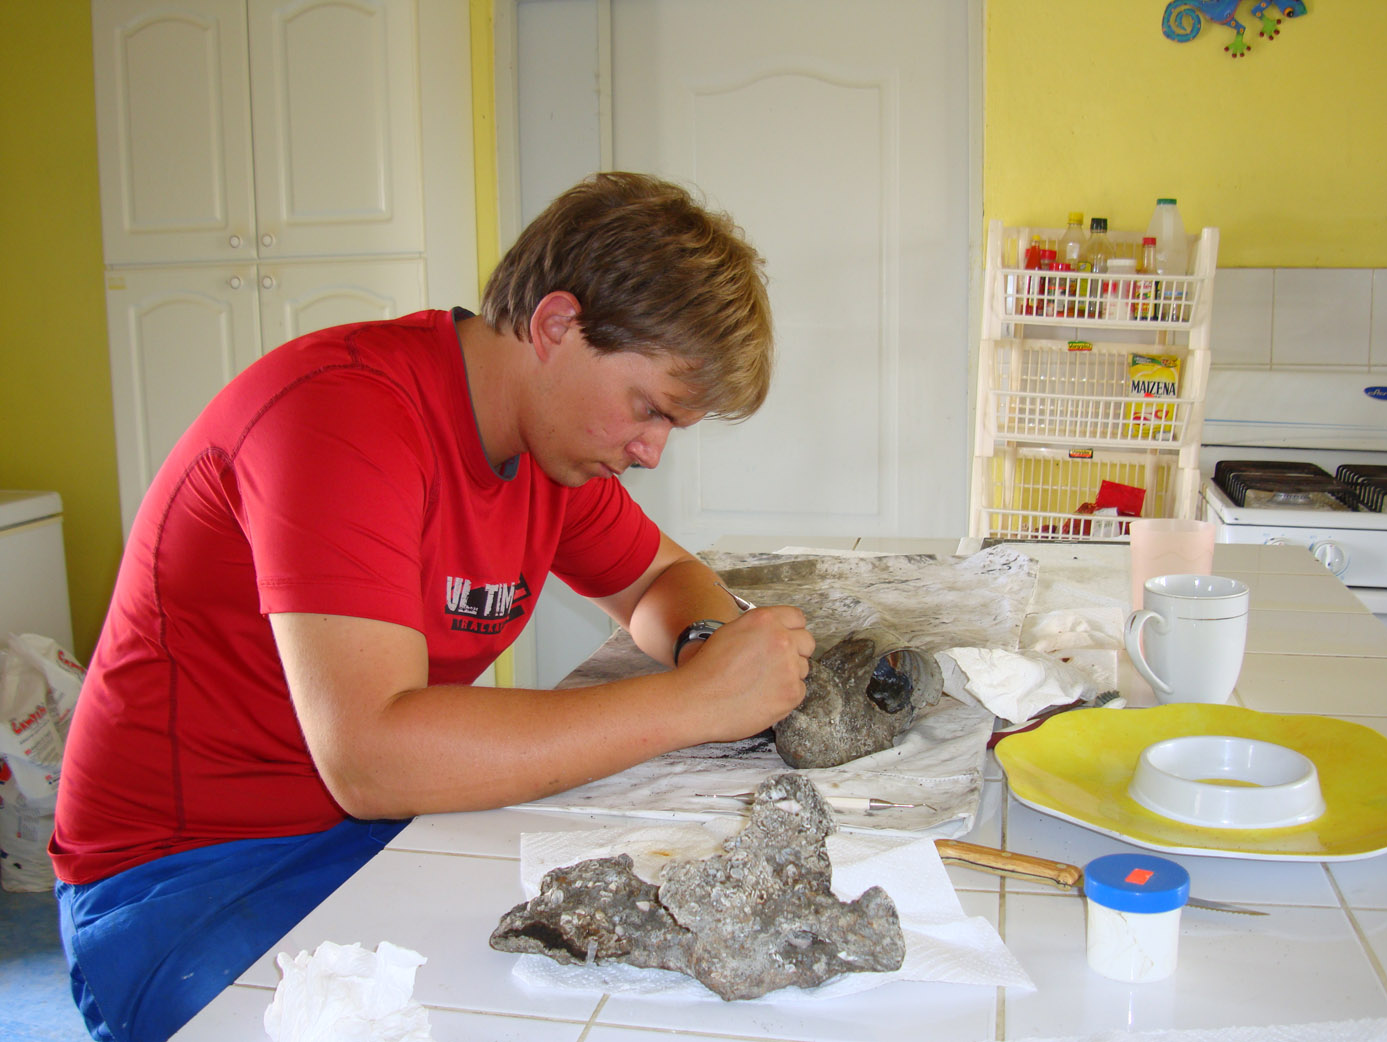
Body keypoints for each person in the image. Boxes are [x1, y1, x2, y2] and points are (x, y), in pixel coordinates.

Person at [50, 171, 815, 1041]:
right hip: (184, 878)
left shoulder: (550, 445)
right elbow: (372, 757)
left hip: (369, 834)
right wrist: (691, 703)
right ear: (556, 326)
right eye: (649, 410)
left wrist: (708, 646)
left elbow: (657, 582)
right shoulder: (341, 416)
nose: (650, 451)